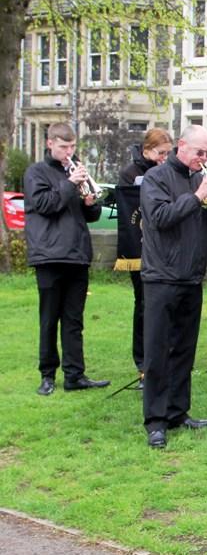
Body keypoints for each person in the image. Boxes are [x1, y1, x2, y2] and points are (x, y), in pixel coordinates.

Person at [140, 125, 207, 449]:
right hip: (161, 276)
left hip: (190, 275)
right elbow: (161, 217)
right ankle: (156, 420)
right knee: (158, 350)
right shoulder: (157, 178)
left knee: (184, 350)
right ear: (181, 147)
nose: (203, 158)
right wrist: (198, 196)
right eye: (199, 152)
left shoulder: (198, 179)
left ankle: (178, 411)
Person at [24, 123, 109, 396]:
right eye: (63, 147)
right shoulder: (36, 172)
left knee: (74, 319)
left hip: (76, 255)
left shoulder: (75, 172)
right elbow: (45, 205)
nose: (68, 152)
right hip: (48, 255)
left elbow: (91, 216)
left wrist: (90, 203)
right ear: (50, 144)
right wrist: (70, 184)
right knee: (49, 318)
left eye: (72, 147)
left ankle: (75, 374)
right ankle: (47, 375)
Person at [118, 128, 173, 383]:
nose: (164, 157)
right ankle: (142, 361)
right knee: (143, 306)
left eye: (167, 153)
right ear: (147, 150)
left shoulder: (171, 170)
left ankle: (166, 355)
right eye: (160, 153)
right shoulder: (130, 174)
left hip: (166, 249)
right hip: (139, 248)